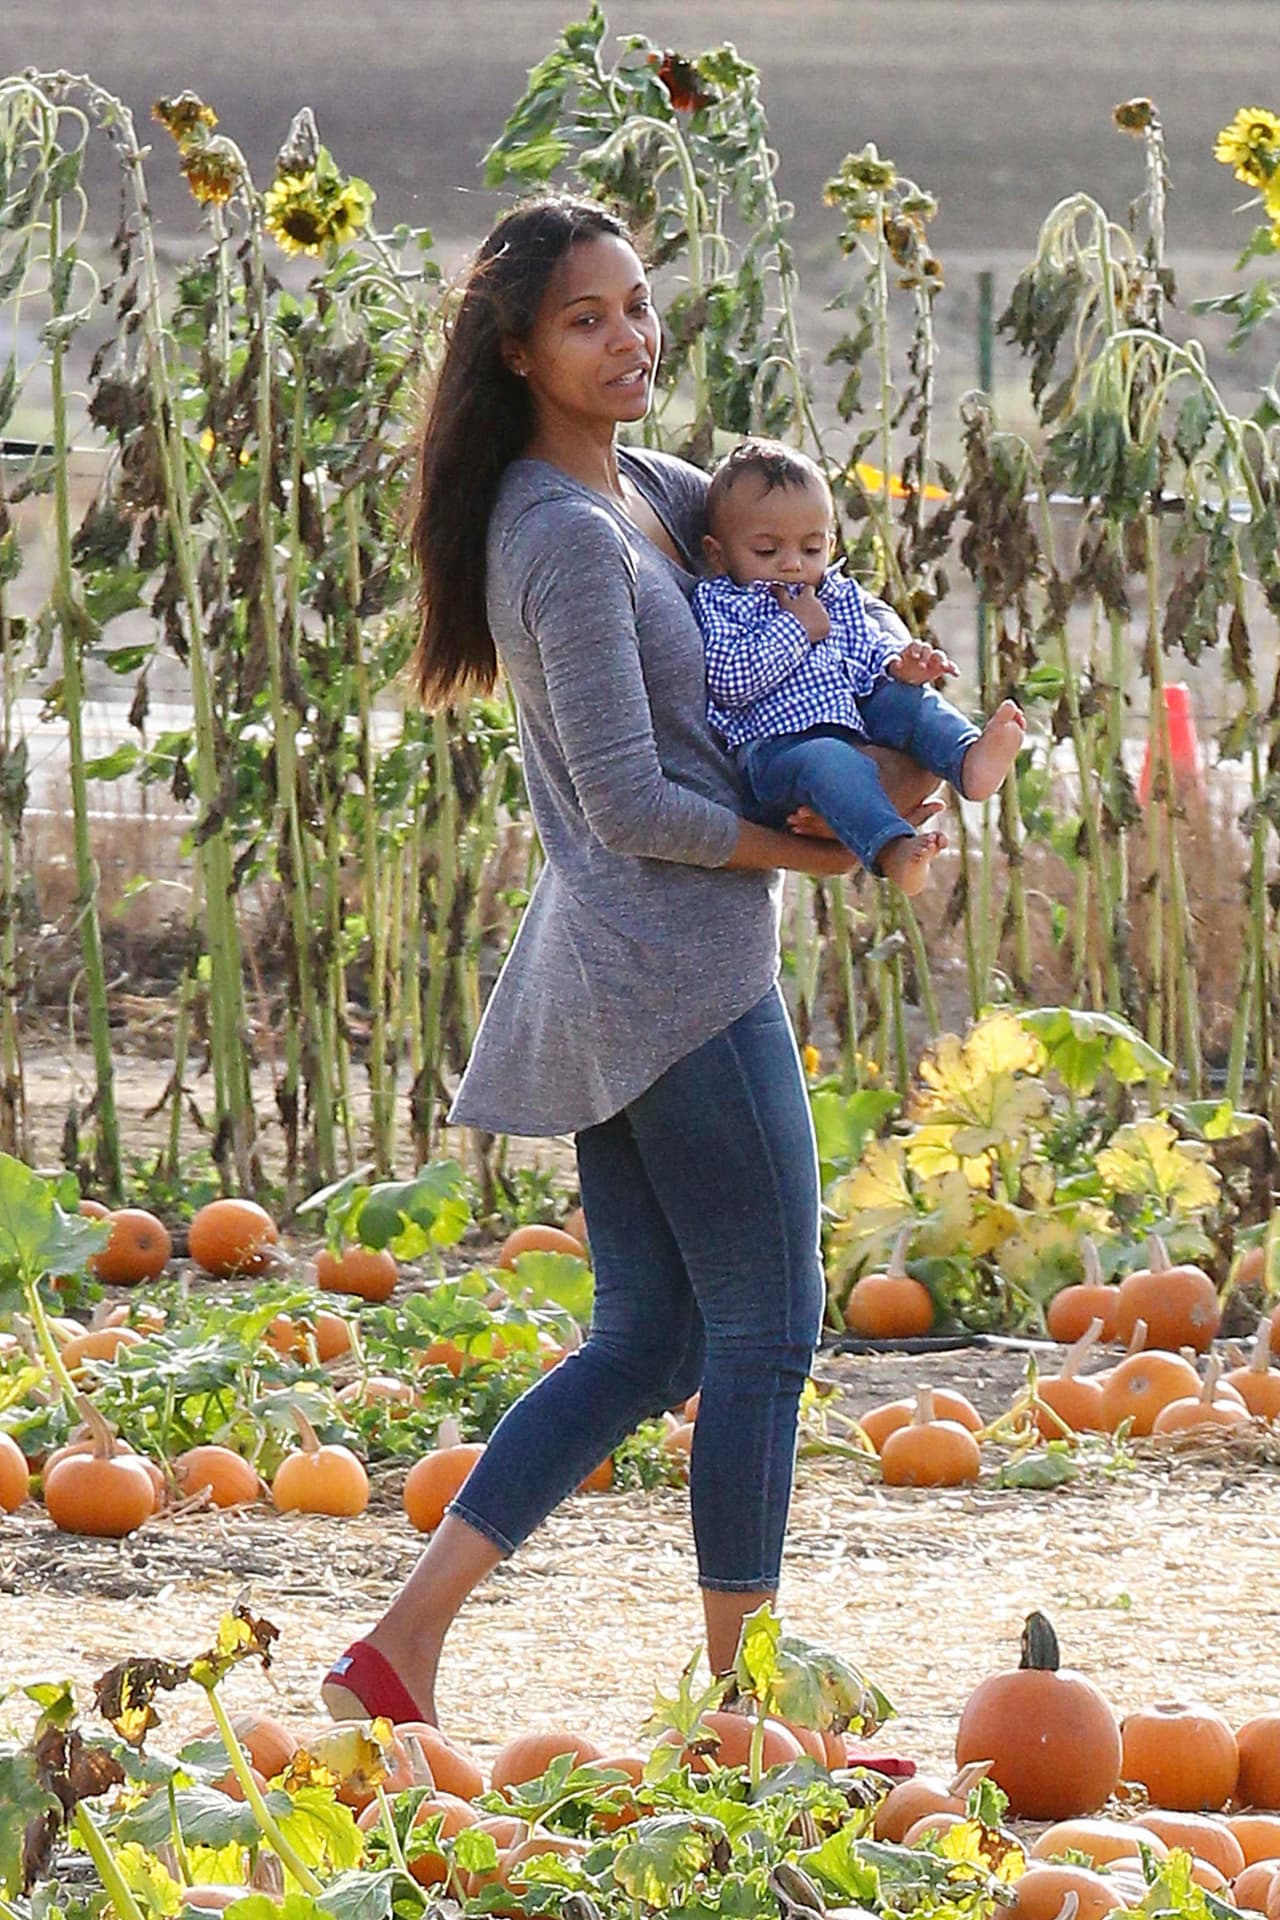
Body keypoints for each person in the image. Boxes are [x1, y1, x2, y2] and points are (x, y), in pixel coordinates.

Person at [321, 195, 941, 1730]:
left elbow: (793, 590)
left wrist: (901, 719)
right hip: (674, 981)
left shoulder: (656, 491)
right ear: (520, 350)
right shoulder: (559, 534)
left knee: (649, 1341)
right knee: (768, 1331)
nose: (628, 338)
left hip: (647, 966)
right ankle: (745, 1708)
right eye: (586, 319)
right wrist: (828, 851)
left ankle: (395, 1651)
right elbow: (630, 801)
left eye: (638, 305)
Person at [695, 439, 1026, 897]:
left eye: (810, 549)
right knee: (830, 760)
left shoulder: (832, 592)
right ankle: (893, 850)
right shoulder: (723, 602)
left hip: (850, 718)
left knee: (905, 702)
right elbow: (729, 683)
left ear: (829, 543)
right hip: (776, 752)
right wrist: (797, 630)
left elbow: (865, 648)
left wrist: (900, 665)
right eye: (767, 552)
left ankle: (969, 758)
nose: (792, 565)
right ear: (718, 554)